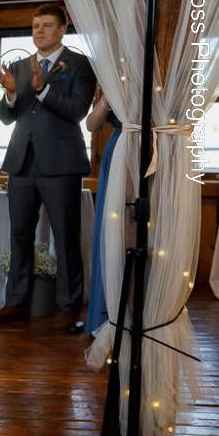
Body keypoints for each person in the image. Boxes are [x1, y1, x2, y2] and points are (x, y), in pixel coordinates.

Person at [0, 4, 95, 333]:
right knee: (19, 234)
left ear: (62, 29)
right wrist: (8, 92)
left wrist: (42, 88)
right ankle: (15, 303)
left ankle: (68, 307)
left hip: (61, 163)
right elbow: (7, 117)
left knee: (65, 237)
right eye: (35, 26)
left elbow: (77, 110)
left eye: (47, 25)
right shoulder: (19, 66)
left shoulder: (80, 65)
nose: (39, 31)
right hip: (22, 162)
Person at [85, 86, 123, 334]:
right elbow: (91, 124)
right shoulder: (112, 80)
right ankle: (106, 311)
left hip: (151, 149)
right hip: (119, 149)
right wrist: (107, 98)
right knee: (112, 231)